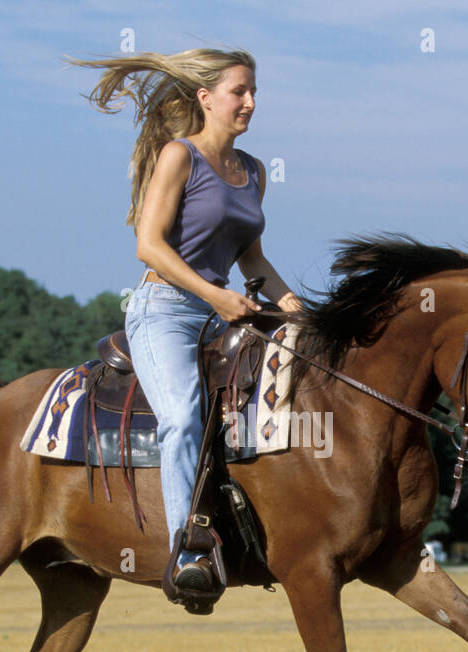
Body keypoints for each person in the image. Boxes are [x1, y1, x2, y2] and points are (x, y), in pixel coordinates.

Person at [68, 47, 305, 597]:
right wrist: (214, 295)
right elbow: (147, 246)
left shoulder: (253, 172)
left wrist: (299, 312)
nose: (250, 101)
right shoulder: (180, 156)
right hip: (165, 311)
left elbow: (255, 263)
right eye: (238, 92)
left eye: (254, 92)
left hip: (223, 310)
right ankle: (188, 550)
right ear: (206, 98)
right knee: (181, 417)